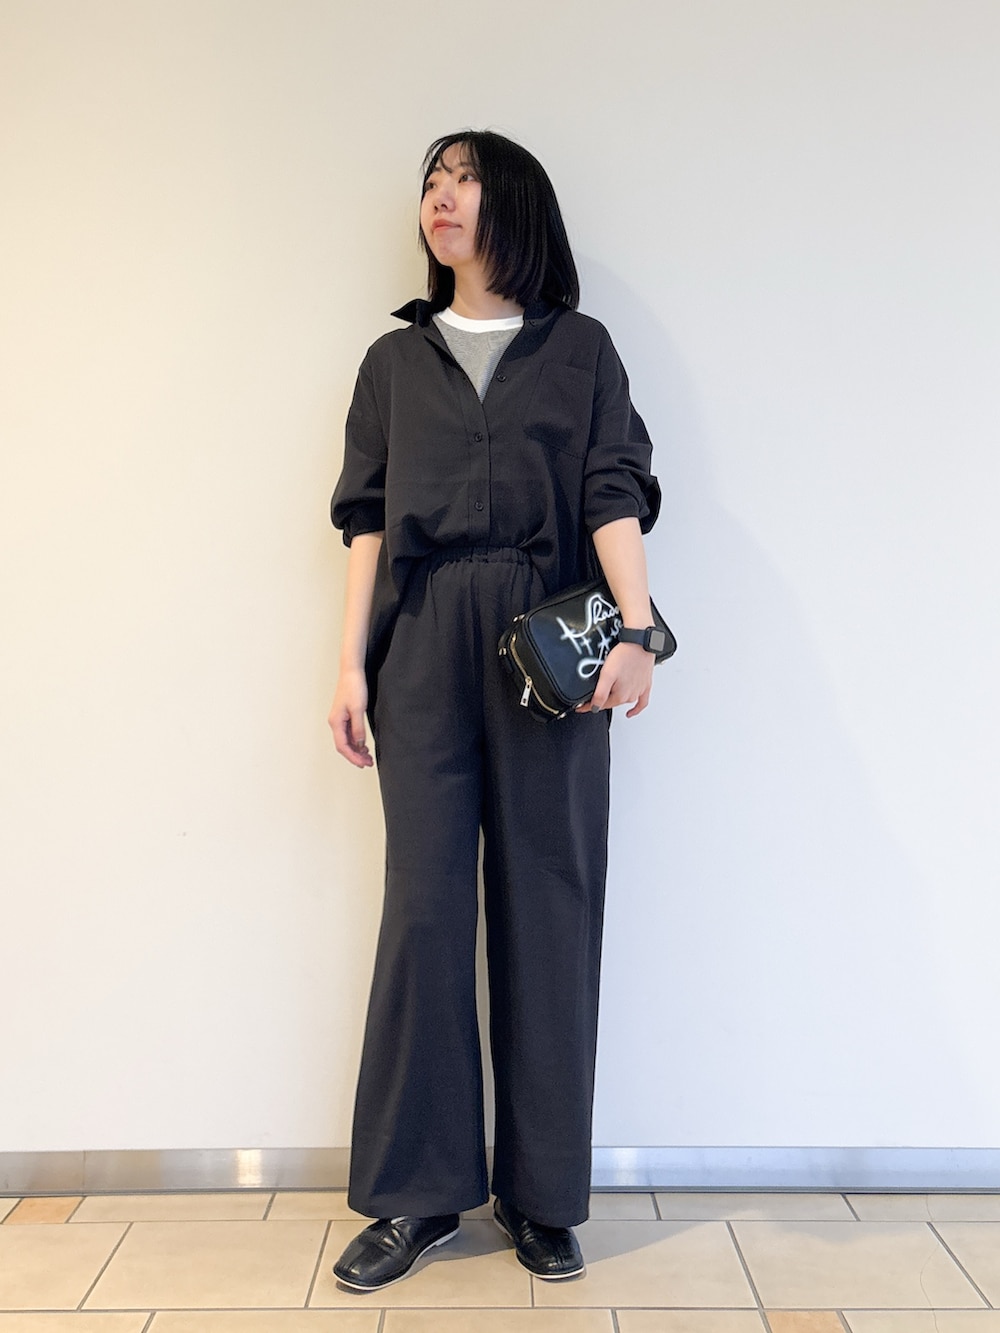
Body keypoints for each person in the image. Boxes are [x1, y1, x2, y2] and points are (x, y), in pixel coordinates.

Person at [327, 128, 660, 1292]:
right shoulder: (392, 362)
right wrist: (349, 665)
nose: (441, 197)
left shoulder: (580, 350)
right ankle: (416, 1196)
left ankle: (542, 1195)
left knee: (549, 902)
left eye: (463, 179)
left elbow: (611, 490)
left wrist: (638, 629)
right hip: (421, 643)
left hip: (551, 640)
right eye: (431, 181)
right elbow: (368, 520)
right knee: (423, 910)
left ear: (512, 202)